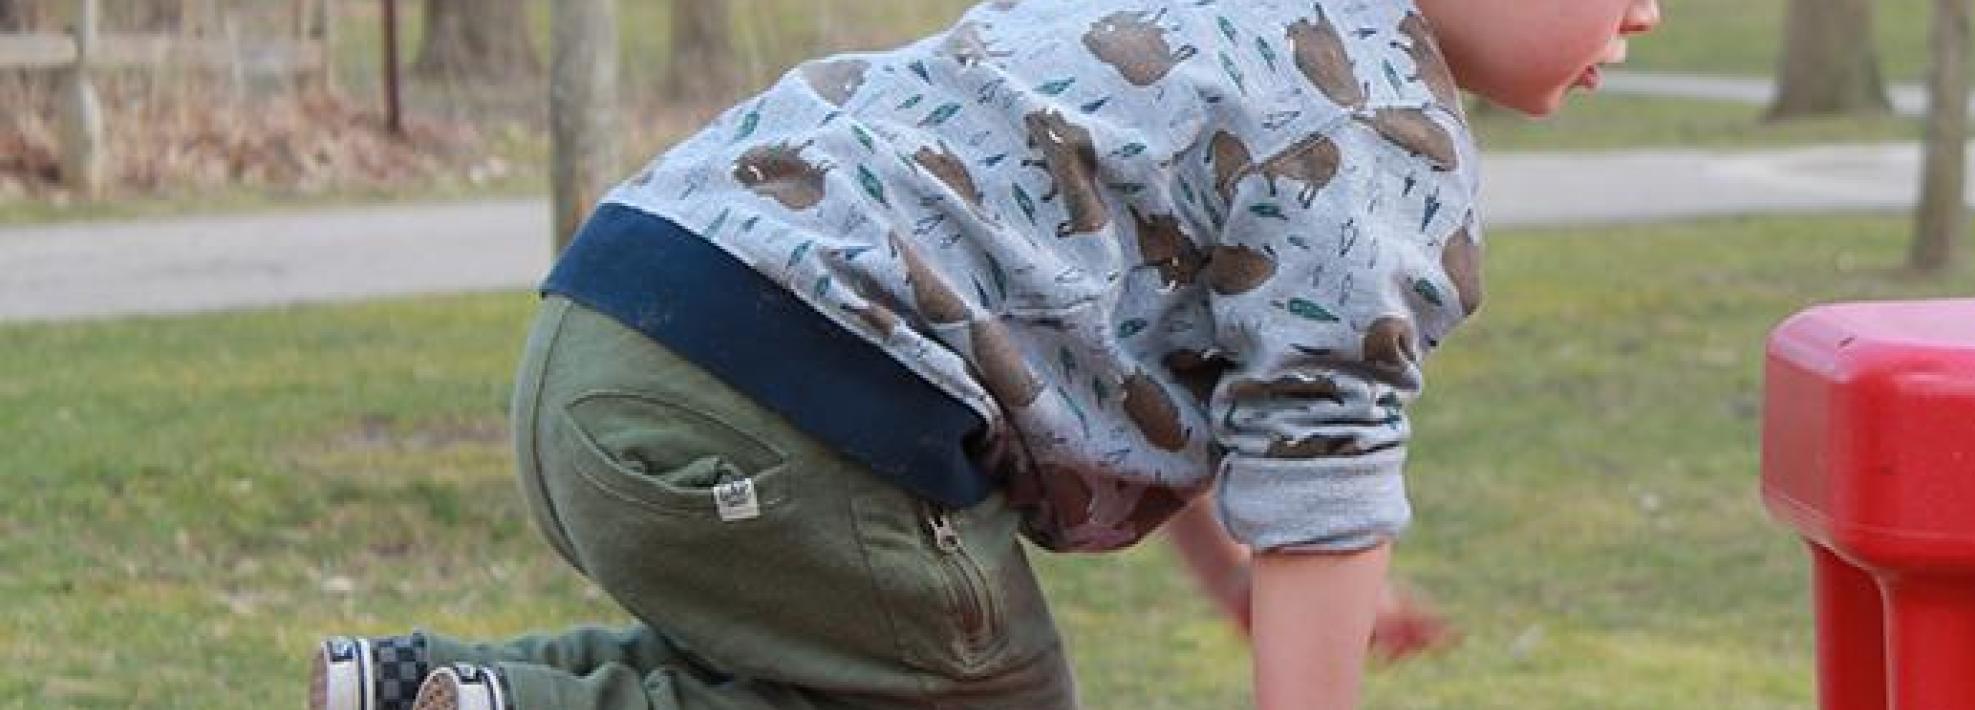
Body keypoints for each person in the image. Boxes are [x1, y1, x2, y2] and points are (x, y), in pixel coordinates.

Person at [309, 0, 1659, 707]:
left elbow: (1179, 382)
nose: (1650, 11)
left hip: (607, 335)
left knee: (867, 680)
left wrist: (1231, 579)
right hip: (793, 402)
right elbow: (1324, 485)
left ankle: (438, 688)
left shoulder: (1225, 17)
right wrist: (1286, 597)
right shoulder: (1383, 136)